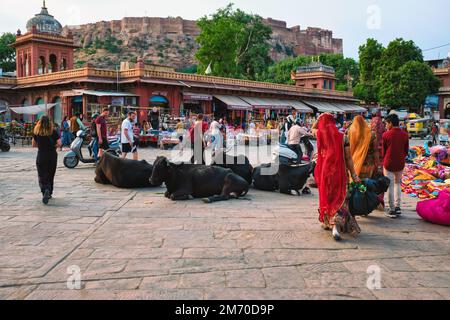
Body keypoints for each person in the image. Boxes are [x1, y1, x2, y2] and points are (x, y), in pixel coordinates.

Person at [312, 113, 361, 241]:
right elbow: (349, 158)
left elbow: (312, 128)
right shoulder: (343, 137)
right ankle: (336, 226)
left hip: (326, 174)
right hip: (340, 173)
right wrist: (354, 174)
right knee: (340, 199)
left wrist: (318, 119)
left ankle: (330, 223)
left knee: (328, 198)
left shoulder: (320, 135)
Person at [382, 114, 409, 218]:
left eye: (386, 123)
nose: (386, 125)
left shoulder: (386, 135)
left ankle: (392, 209)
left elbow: (383, 152)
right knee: (398, 184)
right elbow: (406, 150)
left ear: (391, 123)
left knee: (390, 185)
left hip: (388, 162)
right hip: (400, 162)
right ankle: (398, 208)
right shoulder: (405, 134)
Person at [32, 116, 61, 205]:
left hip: (41, 155)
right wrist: (53, 146)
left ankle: (45, 189)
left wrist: (41, 146)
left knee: (42, 174)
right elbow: (59, 144)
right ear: (50, 123)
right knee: (50, 173)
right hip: (52, 155)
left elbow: (33, 145)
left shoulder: (37, 132)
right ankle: (49, 192)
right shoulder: (53, 132)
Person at [348, 115, 380, 180]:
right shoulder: (372, 134)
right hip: (368, 164)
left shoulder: (350, 134)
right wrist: (378, 164)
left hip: (354, 163)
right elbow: (376, 151)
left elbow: (347, 150)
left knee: (356, 185)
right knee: (367, 183)